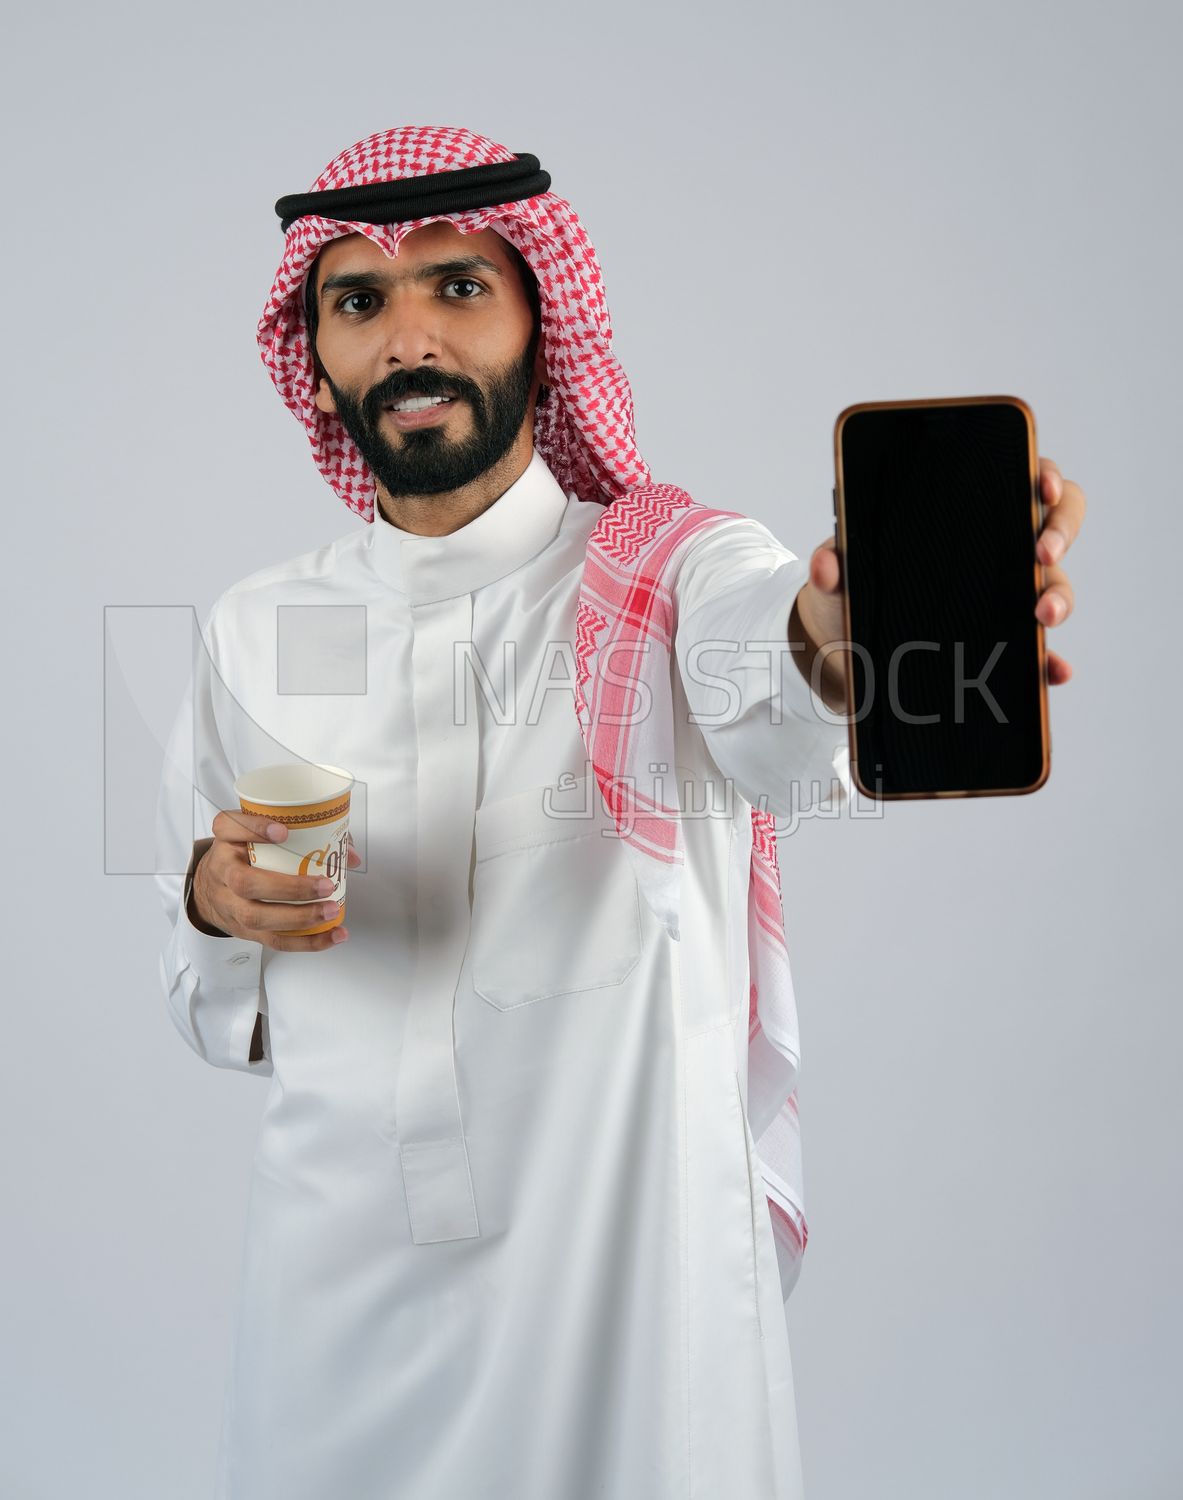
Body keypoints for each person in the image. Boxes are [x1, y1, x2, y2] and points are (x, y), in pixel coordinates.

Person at [154, 126, 1085, 1500]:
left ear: (544, 318)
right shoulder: (253, 625)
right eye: (358, 301)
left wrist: (845, 623)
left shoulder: (669, 568)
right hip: (327, 1285)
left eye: (459, 286)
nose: (408, 336)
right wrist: (212, 902)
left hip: (613, 1279)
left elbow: (776, 677)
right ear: (318, 355)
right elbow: (202, 998)